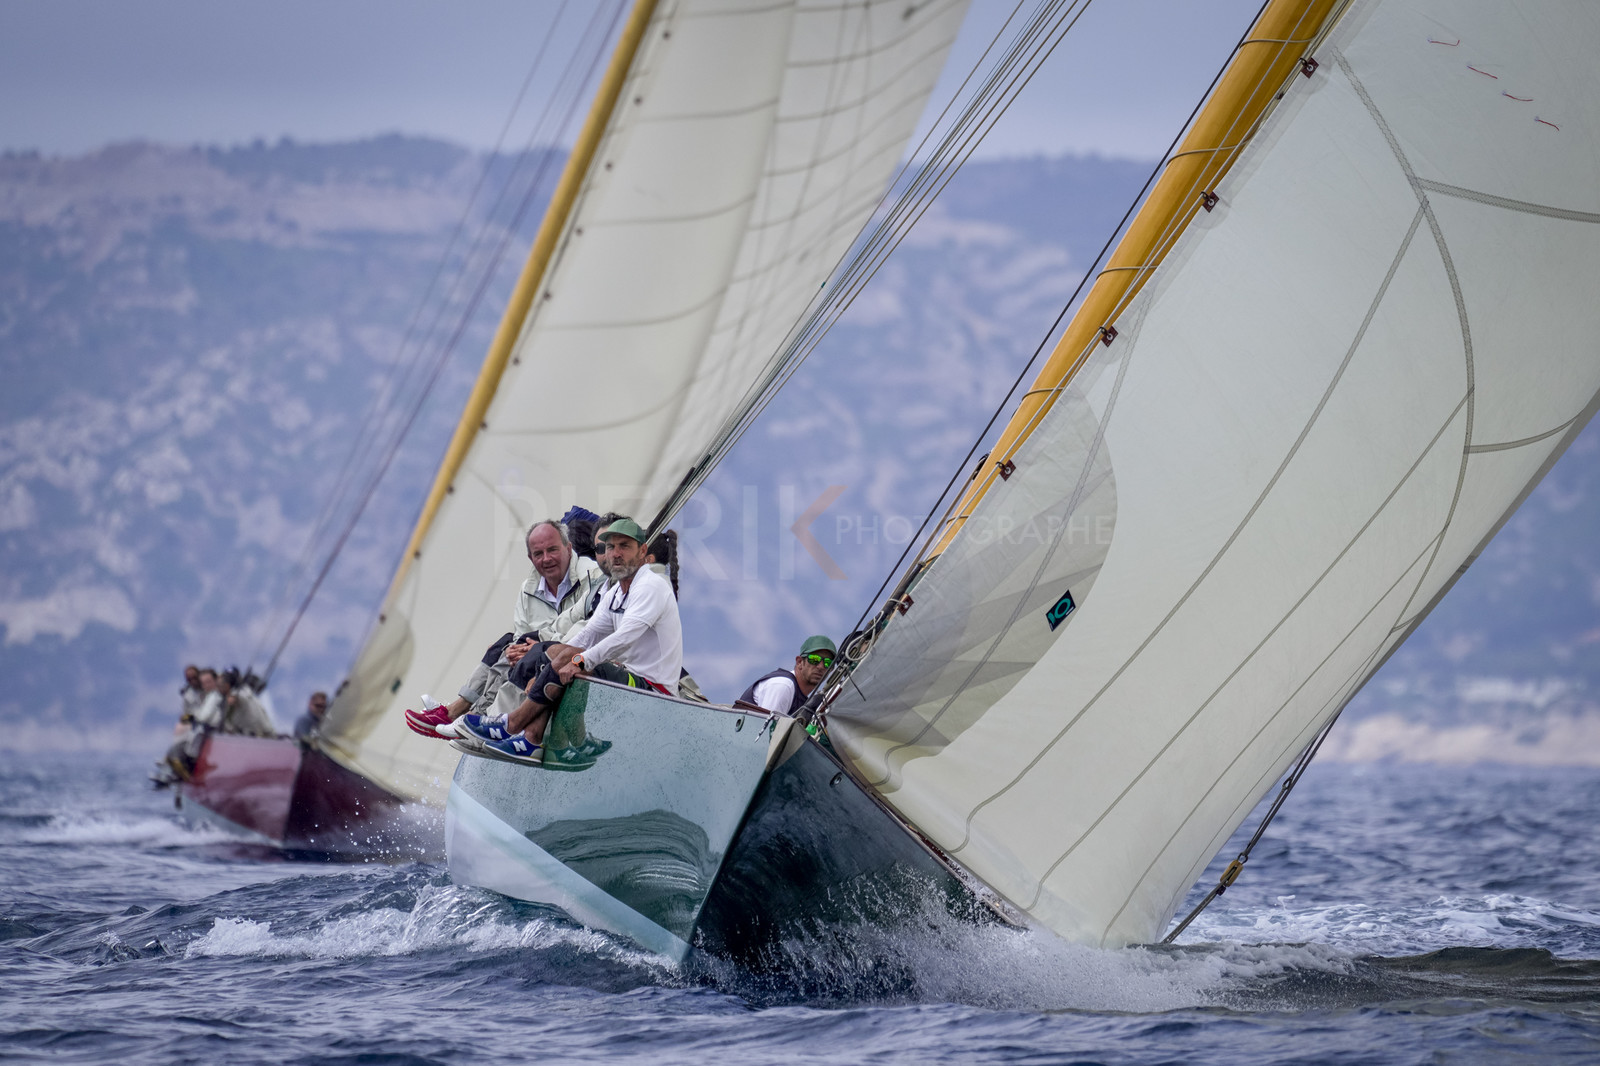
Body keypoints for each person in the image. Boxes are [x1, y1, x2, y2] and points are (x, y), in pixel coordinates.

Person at [458, 518, 683, 762]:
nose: (615, 554)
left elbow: (624, 638)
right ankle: (533, 740)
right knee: (553, 652)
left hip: (653, 690)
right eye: (610, 547)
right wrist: (547, 666)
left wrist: (580, 661)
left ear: (642, 551)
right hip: (629, 679)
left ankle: (514, 725)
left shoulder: (651, 585)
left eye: (624, 546)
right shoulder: (617, 592)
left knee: (573, 662)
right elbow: (588, 634)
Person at [405, 517, 603, 736]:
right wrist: (517, 648)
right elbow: (523, 632)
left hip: (573, 657)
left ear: (568, 548)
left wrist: (539, 645)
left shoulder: (593, 576)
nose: (546, 559)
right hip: (542, 654)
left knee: (527, 652)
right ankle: (462, 712)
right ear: (530, 558)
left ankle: (475, 718)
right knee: (507, 645)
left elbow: (589, 627)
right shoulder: (528, 588)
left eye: (552, 550)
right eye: (538, 553)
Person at [738, 636, 836, 715]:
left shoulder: (802, 700)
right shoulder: (783, 686)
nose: (821, 666)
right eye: (814, 659)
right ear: (799, 662)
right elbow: (767, 730)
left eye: (828, 663)